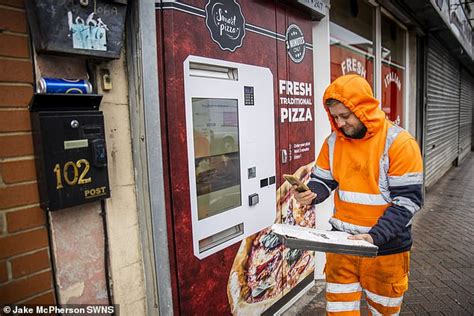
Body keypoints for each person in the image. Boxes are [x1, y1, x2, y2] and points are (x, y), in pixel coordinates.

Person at [292, 74, 423, 315]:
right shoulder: (333, 142)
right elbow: (324, 180)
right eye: (335, 117)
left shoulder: (400, 143)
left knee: (383, 311)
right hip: (342, 247)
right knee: (340, 311)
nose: (340, 124)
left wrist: (374, 237)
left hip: (385, 250)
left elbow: (408, 201)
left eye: (345, 116)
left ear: (363, 110)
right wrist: (312, 193)